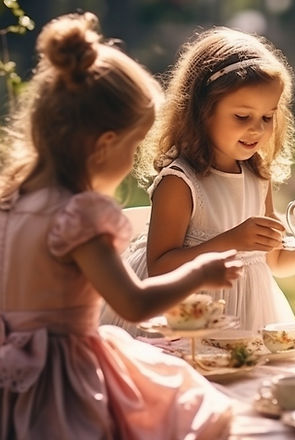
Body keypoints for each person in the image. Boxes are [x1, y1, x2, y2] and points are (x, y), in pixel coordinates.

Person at [0, 12, 243, 439]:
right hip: (65, 381)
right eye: (133, 147)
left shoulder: (10, 203)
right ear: (105, 144)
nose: (132, 162)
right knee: (182, 402)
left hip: (12, 376)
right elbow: (134, 304)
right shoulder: (77, 217)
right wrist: (200, 273)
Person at [102, 26, 295, 333]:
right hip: (189, 317)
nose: (257, 129)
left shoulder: (258, 176)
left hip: (250, 312)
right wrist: (230, 241)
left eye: (267, 117)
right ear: (203, 112)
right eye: (242, 117)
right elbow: (160, 268)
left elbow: (277, 261)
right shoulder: (180, 181)